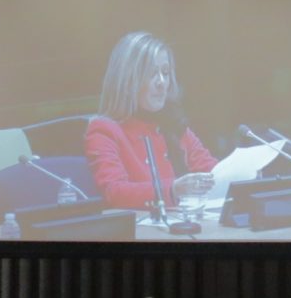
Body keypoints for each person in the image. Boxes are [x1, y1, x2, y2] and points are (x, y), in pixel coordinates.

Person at [84, 31, 217, 209]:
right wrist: (172, 189)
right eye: (152, 73)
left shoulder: (174, 124)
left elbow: (211, 170)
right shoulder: (103, 130)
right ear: (127, 79)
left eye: (166, 72)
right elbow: (114, 192)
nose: (162, 82)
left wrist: (240, 172)